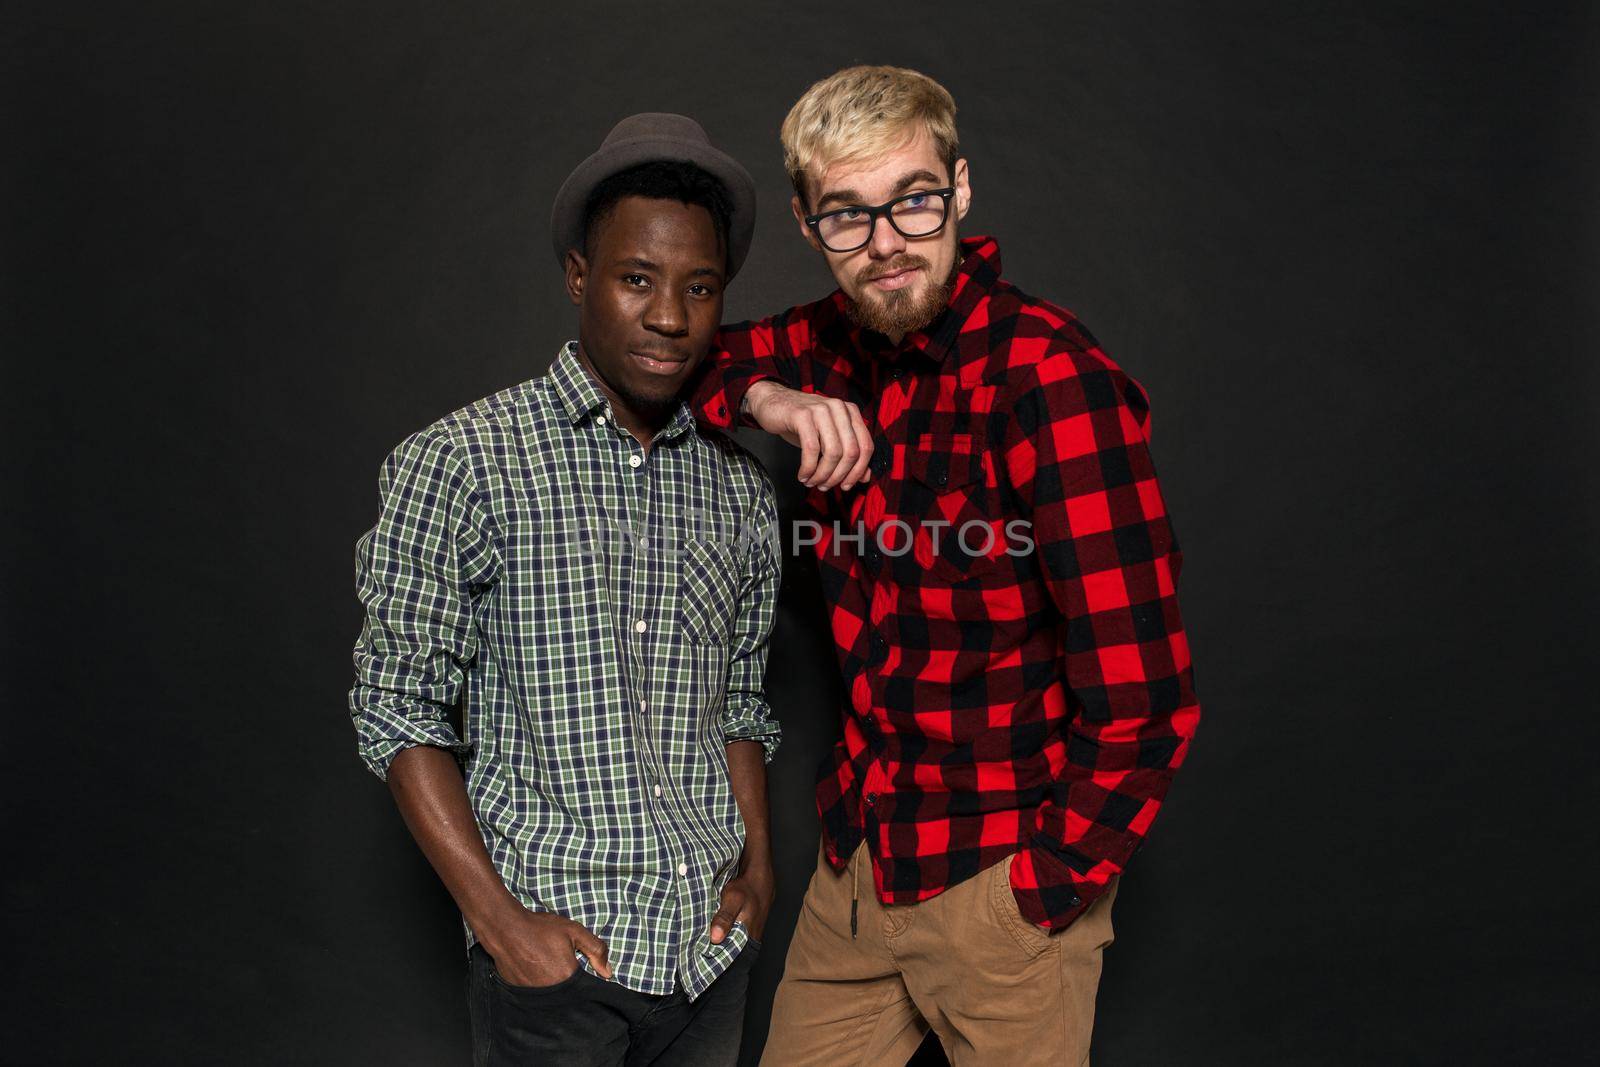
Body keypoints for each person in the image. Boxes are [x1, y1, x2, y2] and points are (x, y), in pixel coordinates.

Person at [689, 66, 1203, 1066]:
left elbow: (1146, 695)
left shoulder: (1051, 385)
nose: (885, 242)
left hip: (1000, 878)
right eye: (847, 213)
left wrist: (1040, 892)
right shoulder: (828, 346)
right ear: (808, 222)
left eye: (913, 200)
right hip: (859, 864)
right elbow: (680, 355)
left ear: (959, 190)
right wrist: (772, 403)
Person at [349, 113, 781, 1067]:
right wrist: (502, 925)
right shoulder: (460, 461)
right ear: (581, 277)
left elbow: (741, 701)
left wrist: (758, 872)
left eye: (698, 288)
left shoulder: (741, 489)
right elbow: (398, 708)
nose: (669, 316)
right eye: (637, 279)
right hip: (557, 964)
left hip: (709, 959)